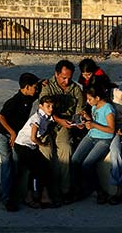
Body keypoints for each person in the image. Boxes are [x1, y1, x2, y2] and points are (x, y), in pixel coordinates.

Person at [36, 59, 85, 204]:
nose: (66, 81)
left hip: (65, 126)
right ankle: (46, 191)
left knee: (66, 149)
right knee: (46, 152)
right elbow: (43, 111)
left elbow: (78, 111)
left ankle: (65, 190)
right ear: (56, 74)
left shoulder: (75, 89)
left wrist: (78, 123)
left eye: (69, 77)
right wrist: (59, 119)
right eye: (63, 77)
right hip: (46, 125)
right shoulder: (47, 87)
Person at [0, 72, 40, 209]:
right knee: (7, 165)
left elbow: (39, 88)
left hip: (16, 137)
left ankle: (2, 189)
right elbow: (1, 117)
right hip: (3, 135)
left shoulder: (29, 97)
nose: (36, 90)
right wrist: (12, 133)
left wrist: (44, 83)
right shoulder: (14, 101)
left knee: (17, 165)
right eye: (34, 87)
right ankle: (7, 200)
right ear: (26, 87)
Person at [6, 96, 55, 211]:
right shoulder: (37, 118)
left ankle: (42, 196)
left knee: (43, 166)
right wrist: (42, 144)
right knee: (34, 170)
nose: (51, 108)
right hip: (23, 146)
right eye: (48, 106)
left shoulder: (46, 117)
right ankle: (30, 197)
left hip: (30, 147)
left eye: (52, 106)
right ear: (41, 106)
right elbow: (33, 138)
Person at [71, 85, 115, 204]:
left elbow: (111, 130)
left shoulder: (108, 108)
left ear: (98, 97)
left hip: (104, 139)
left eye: (90, 99)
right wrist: (87, 119)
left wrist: (94, 125)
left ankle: (100, 191)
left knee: (87, 165)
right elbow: (95, 121)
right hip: (91, 136)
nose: (88, 102)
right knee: (75, 160)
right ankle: (77, 190)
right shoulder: (94, 107)